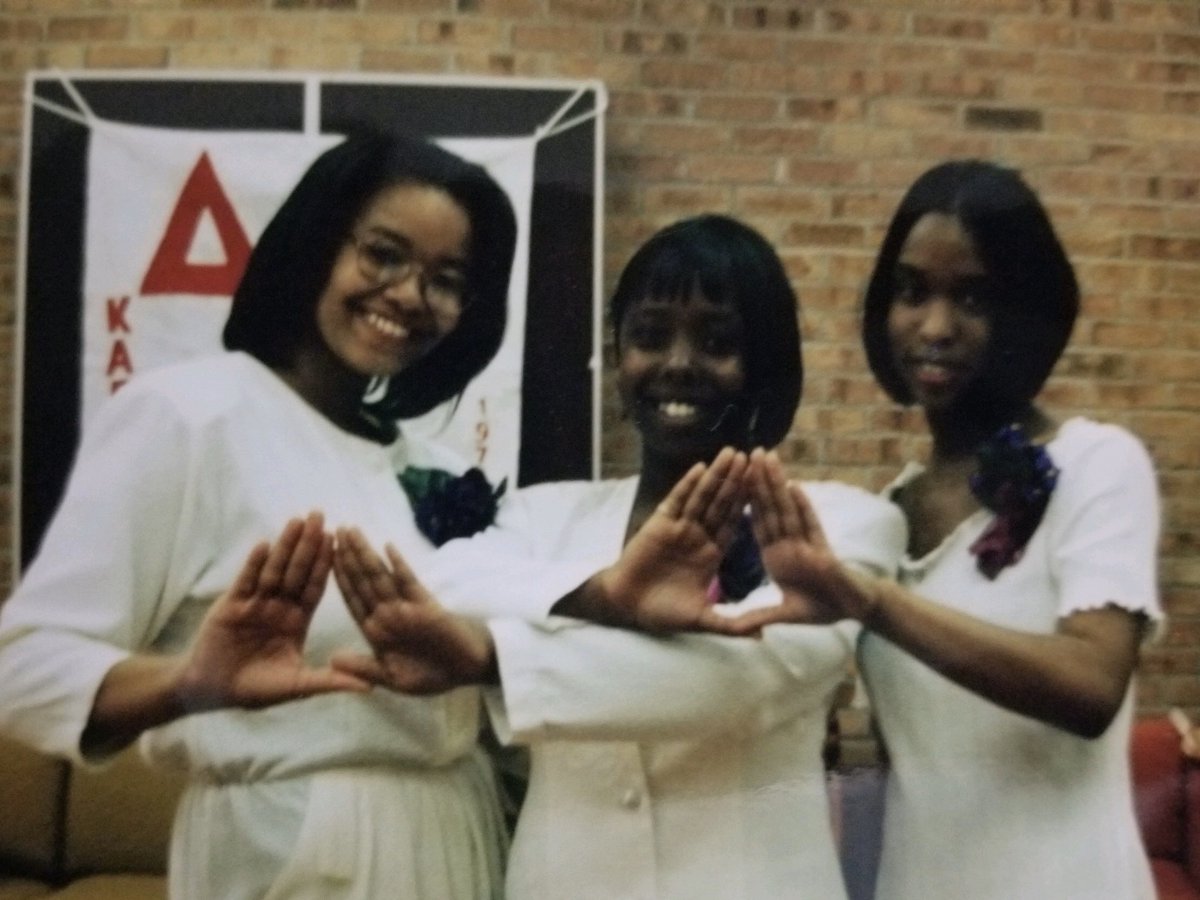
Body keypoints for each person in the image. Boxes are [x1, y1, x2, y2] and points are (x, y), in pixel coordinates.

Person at [0, 131, 560, 900]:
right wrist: (190, 683)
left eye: (446, 280)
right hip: (296, 842)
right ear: (315, 245)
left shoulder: (435, 467)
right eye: (384, 255)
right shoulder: (191, 417)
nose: (409, 294)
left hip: (459, 827)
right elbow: (23, 668)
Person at [330, 215, 907, 900]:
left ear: (766, 363)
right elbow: (445, 587)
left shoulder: (845, 523)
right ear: (619, 356)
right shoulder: (544, 514)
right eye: (649, 335)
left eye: (717, 342)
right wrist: (606, 593)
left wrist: (491, 659)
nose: (677, 363)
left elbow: (748, 681)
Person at [729, 160, 1163, 899]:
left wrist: (870, 602)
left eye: (972, 297)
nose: (934, 327)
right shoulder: (886, 518)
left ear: (1025, 313)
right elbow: (916, 759)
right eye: (911, 292)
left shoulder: (1097, 464)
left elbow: (1092, 687)